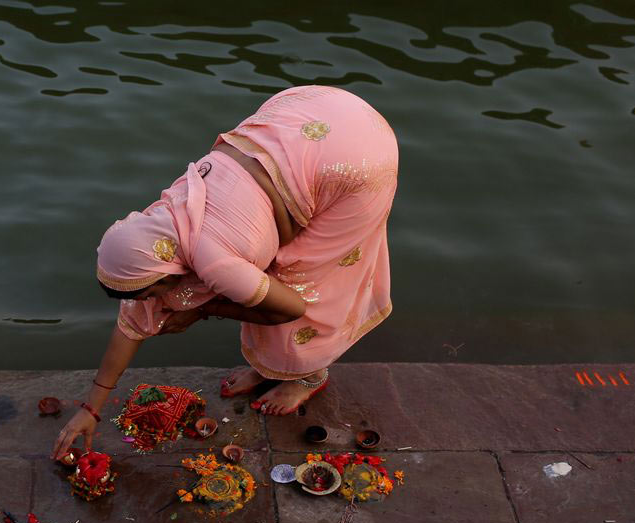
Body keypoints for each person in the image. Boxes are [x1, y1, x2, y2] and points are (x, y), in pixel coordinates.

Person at [51, 85, 398, 461]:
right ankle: (270, 368)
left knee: (301, 277)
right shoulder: (160, 224)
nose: (151, 303)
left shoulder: (216, 262)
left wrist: (200, 309)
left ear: (165, 276)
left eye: (152, 294)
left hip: (359, 162)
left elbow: (290, 308)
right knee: (257, 280)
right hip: (308, 112)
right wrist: (91, 409)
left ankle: (309, 376)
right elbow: (129, 327)